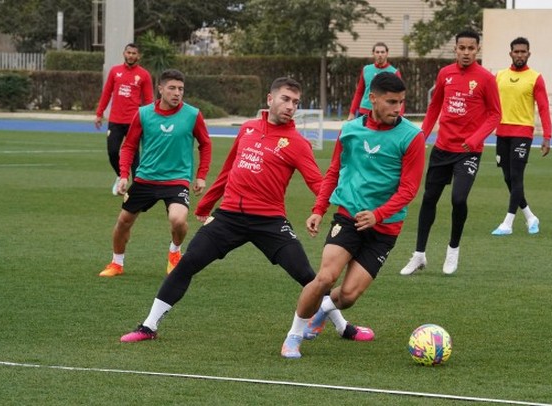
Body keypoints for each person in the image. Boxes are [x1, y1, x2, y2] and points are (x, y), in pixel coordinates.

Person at [119, 77, 367, 343]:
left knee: (307, 276)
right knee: (187, 263)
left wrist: (341, 208)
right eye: (285, 99)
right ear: (270, 99)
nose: (290, 106)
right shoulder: (248, 129)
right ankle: (148, 326)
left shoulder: (297, 143)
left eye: (295, 102)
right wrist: (206, 204)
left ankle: (343, 326)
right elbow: (228, 170)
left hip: (270, 222)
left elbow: (318, 182)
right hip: (228, 218)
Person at [281, 72, 425, 359]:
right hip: (348, 217)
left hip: (385, 228)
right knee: (325, 278)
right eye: (391, 102)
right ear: (372, 98)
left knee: (347, 296)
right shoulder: (349, 130)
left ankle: (324, 310)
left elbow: (409, 189)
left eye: (401, 102)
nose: (398, 108)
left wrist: (378, 215)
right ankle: (293, 336)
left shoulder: (412, 136)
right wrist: (319, 209)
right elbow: (334, 171)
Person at [399, 29, 501, 276]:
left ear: (477, 49)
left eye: (471, 48)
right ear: (455, 49)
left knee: (458, 199)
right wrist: (422, 135)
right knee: (429, 199)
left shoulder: (486, 79)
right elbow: (435, 107)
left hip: (468, 152)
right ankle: (419, 255)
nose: (466, 52)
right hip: (442, 148)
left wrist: (474, 139)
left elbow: (495, 114)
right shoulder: (445, 74)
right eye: (462, 48)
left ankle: (453, 249)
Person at [98, 69, 212, 277]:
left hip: (176, 180)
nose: (177, 93)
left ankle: (174, 252)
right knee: (123, 222)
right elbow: (129, 146)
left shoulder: (192, 115)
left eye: (181, 89)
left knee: (178, 220)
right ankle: (116, 263)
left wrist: (201, 175)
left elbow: (205, 144)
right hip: (145, 179)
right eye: (172, 88)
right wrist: (123, 175)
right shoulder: (143, 114)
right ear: (160, 89)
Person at [490, 37, 552, 236]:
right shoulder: (499, 76)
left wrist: (547, 136)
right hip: (502, 133)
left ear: (528, 54)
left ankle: (507, 223)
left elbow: (543, 108)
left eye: (523, 52)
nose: (519, 55)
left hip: (522, 133)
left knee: (517, 177)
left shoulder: (535, 78)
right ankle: (530, 216)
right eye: (516, 52)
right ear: (511, 54)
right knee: (508, 178)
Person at [95, 43, 154, 195]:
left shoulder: (144, 75)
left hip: (134, 121)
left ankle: (136, 189)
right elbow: (107, 93)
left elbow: (148, 100)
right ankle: (121, 176)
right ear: (124, 53)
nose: (131, 56)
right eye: (129, 52)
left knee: (134, 155)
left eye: (134, 53)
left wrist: (150, 120)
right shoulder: (115, 71)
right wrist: (99, 113)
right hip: (115, 120)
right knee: (113, 152)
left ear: (138, 56)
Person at [346, 42, 403, 120]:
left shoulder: (394, 72)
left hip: (383, 112)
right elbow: (359, 92)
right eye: (377, 52)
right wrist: (352, 112)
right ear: (373, 53)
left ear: (387, 53)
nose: (380, 55)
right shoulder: (366, 69)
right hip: (364, 111)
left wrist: (400, 115)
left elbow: (400, 96)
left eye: (382, 52)